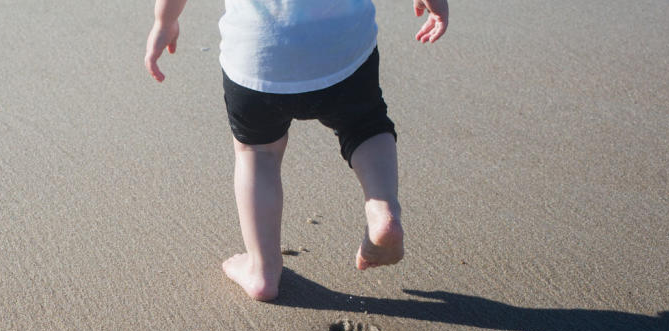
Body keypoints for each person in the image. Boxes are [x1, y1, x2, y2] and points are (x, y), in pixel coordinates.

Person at [145, 0, 448, 301]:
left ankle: (262, 269)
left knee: (257, 153)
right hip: (343, 50)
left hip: (258, 56)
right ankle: (382, 209)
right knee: (365, 126)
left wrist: (164, 21)